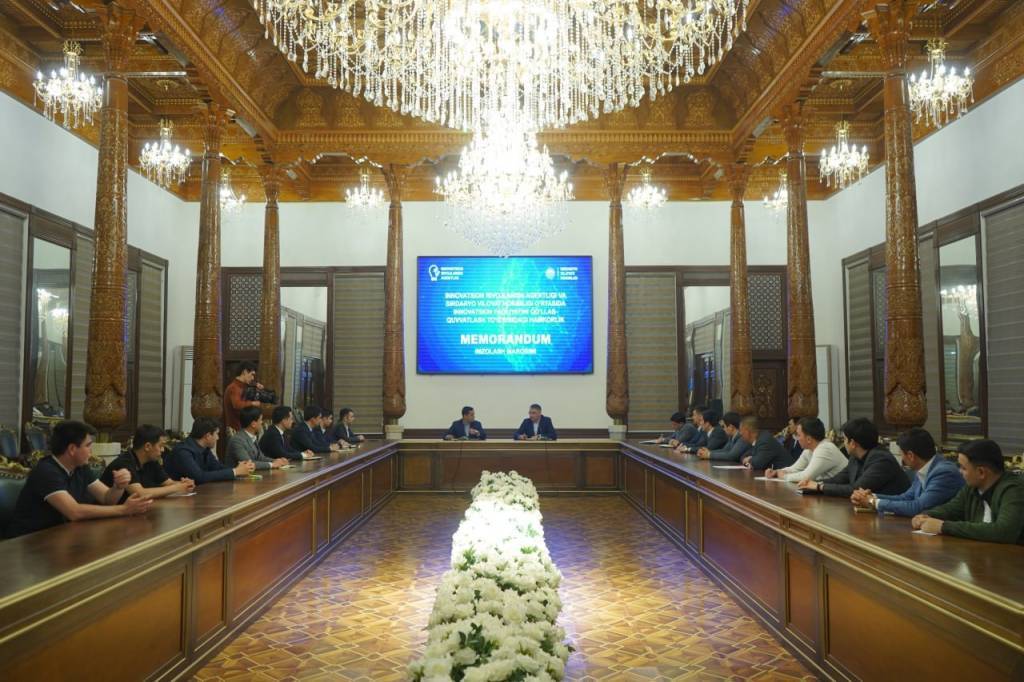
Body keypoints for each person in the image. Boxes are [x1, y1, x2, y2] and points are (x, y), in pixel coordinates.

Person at [4, 421, 152, 538]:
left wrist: (118, 487)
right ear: (72, 449)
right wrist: (124, 509)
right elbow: (74, 512)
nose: (91, 451)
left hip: (61, 534)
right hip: (29, 541)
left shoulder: (80, 467)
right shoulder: (46, 471)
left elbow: (107, 498)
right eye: (88, 446)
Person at [913, 439, 1024, 544]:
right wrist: (926, 516)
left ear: (981, 472)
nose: (959, 471)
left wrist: (943, 526)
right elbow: (950, 509)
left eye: (963, 468)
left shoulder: (1014, 489)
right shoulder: (971, 487)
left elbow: (1004, 531)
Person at [851, 428, 962, 516]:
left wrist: (873, 502)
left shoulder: (944, 473)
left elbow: (918, 507)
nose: (902, 459)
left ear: (910, 455)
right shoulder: (924, 467)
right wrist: (871, 496)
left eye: (901, 454)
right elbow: (906, 498)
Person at [797, 418, 909, 497]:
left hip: (894, 517)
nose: (844, 443)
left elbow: (855, 489)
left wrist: (819, 487)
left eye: (845, 439)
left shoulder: (882, 460)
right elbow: (839, 479)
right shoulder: (855, 457)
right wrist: (813, 483)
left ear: (853, 443)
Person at [100, 425, 196, 501]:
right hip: (110, 515)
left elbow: (169, 483)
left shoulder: (152, 461)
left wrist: (185, 484)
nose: (163, 450)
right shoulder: (124, 463)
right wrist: (177, 488)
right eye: (161, 446)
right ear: (147, 446)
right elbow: (139, 494)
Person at [164, 418, 254, 484]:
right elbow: (199, 477)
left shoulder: (205, 448)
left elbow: (217, 467)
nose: (218, 438)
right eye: (217, 434)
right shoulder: (183, 451)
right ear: (207, 436)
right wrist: (235, 471)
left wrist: (240, 469)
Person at [765, 417, 847, 483]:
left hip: (841, 495)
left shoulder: (825, 449)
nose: (797, 439)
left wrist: (784, 476)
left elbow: (806, 476)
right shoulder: (809, 449)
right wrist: (776, 472)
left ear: (808, 439)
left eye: (799, 435)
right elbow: (794, 469)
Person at [226, 406, 289, 471]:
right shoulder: (237, 440)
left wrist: (276, 461)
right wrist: (272, 464)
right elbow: (249, 464)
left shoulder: (252, 437)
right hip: (238, 477)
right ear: (253, 424)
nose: (262, 422)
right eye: (260, 420)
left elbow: (260, 457)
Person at [223, 361, 262, 433]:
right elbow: (237, 404)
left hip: (241, 429)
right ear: (244, 372)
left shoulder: (242, 386)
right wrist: (252, 403)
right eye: (252, 374)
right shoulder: (234, 387)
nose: (253, 378)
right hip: (235, 430)